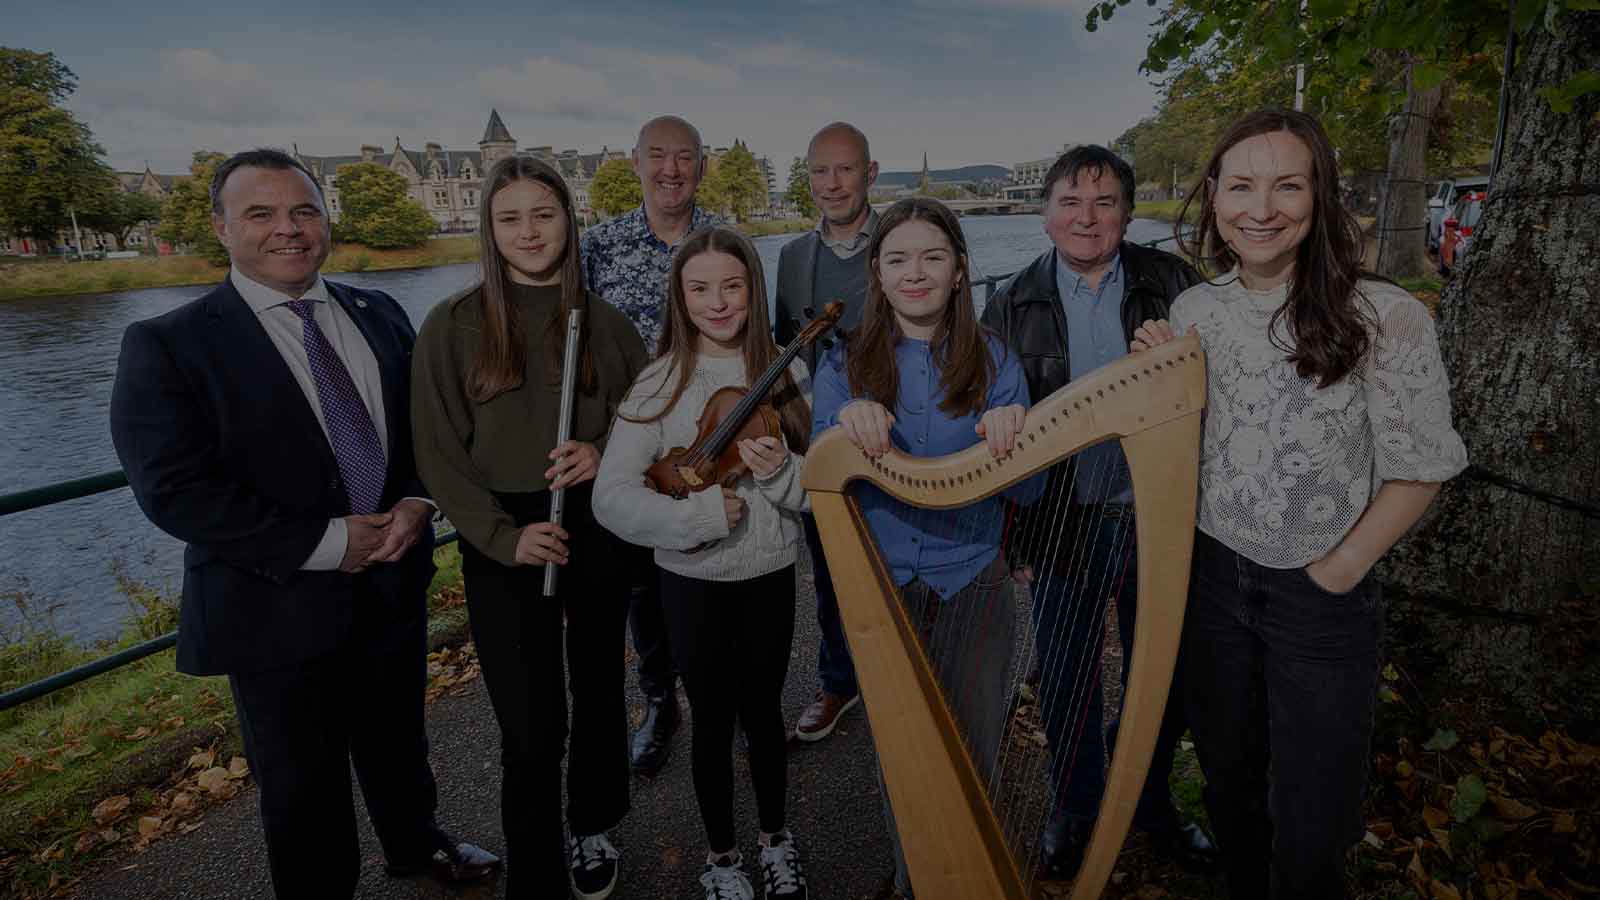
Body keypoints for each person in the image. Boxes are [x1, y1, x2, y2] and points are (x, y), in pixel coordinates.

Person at [107, 148, 498, 898]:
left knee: (397, 744)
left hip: (390, 582)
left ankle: (416, 846)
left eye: (305, 211)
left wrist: (419, 500)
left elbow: (427, 431)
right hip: (272, 604)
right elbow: (173, 490)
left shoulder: (378, 311)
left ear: (325, 221)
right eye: (262, 213)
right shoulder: (168, 343)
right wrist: (324, 543)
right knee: (300, 783)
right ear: (222, 227)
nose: (288, 229)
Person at [1132, 108, 1468, 900]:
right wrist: (1158, 382)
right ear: (1213, 197)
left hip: (1318, 590)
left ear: (1320, 198)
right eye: (1242, 185)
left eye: (1288, 185)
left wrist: (1341, 569)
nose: (1261, 207)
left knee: (1315, 815)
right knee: (1230, 785)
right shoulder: (1193, 313)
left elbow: (1422, 466)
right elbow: (1192, 451)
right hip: (1212, 578)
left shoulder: (1386, 314)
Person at [411, 156, 648, 899]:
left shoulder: (605, 324)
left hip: (597, 518)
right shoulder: (452, 326)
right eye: (509, 217)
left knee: (601, 687)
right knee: (530, 720)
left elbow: (649, 427)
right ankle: (536, 864)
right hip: (506, 533)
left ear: (567, 219)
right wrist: (503, 537)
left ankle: (592, 824)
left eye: (543, 213)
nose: (529, 230)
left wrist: (603, 449)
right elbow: (438, 451)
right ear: (489, 227)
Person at [979, 145, 1216, 877]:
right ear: (1044, 214)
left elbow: (1224, 394)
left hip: (1161, 514)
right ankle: (1075, 809)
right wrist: (1013, 532)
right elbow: (996, 424)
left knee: (1167, 673)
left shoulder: (1176, 285)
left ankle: (1147, 802)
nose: (1088, 217)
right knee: (1067, 677)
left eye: (1105, 201)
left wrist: (1185, 358)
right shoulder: (1009, 302)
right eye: (1071, 203)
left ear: (1126, 212)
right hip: (1062, 518)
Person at [810, 198, 1042, 899]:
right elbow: (819, 492)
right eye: (899, 258)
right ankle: (919, 881)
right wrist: (840, 426)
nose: (917, 273)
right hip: (880, 588)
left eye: (933, 257)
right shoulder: (840, 364)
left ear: (959, 270)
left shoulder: (996, 359)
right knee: (901, 753)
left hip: (972, 578)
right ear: (877, 273)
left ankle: (973, 876)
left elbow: (1027, 501)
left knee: (974, 746)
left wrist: (1017, 437)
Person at [593, 227, 812, 900]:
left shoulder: (786, 369)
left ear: (752, 288)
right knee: (712, 722)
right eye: (699, 288)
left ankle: (776, 839)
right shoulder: (659, 382)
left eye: (732, 285)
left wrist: (779, 478)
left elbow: (813, 490)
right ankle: (722, 857)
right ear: (679, 297)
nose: (718, 302)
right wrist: (695, 518)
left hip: (769, 575)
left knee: (766, 713)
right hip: (692, 586)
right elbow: (611, 496)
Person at [580, 114, 720, 775]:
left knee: (717, 573)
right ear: (634, 163)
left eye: (684, 157)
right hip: (629, 449)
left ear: (701, 165)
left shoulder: (728, 238)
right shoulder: (598, 247)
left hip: (712, 442)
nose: (671, 169)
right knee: (643, 589)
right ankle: (660, 700)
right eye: (657, 156)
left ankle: (727, 697)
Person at [773, 121, 880, 742]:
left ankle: (921, 675)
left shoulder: (903, 239)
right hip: (824, 442)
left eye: (845, 169)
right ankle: (841, 681)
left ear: (869, 171)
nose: (832, 184)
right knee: (833, 568)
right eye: (819, 171)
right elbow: (786, 352)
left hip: (904, 437)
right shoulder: (791, 259)